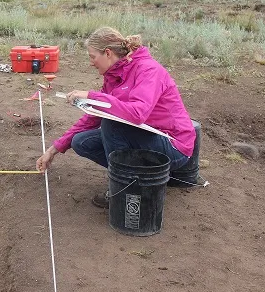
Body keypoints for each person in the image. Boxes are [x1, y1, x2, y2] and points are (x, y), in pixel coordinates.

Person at [36, 27, 196, 208]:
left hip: (173, 145)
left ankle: (125, 191)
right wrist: (53, 150)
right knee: (81, 141)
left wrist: (92, 95)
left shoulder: (148, 70)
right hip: (146, 137)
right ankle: (142, 180)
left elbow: (137, 114)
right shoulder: (113, 76)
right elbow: (92, 117)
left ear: (108, 53)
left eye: (92, 56)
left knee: (111, 124)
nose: (91, 63)